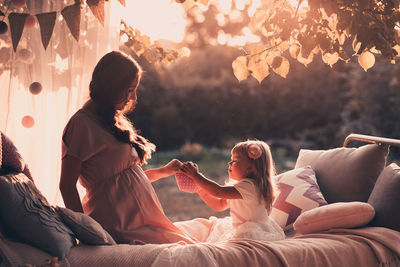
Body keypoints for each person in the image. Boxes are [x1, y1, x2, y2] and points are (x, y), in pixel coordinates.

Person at [59, 51, 194, 245]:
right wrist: (86, 233)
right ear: (111, 86)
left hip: (143, 220)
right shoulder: (81, 124)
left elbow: (123, 179)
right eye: (130, 90)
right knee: (189, 254)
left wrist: (164, 171)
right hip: (120, 222)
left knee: (192, 250)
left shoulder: (111, 119)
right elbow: (66, 185)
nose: (133, 98)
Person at [177, 140, 285, 242]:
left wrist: (196, 176)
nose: (229, 163)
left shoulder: (250, 187)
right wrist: (201, 190)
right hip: (241, 227)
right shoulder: (239, 188)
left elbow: (218, 191)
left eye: (235, 161)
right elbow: (218, 205)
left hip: (253, 231)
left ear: (251, 167)